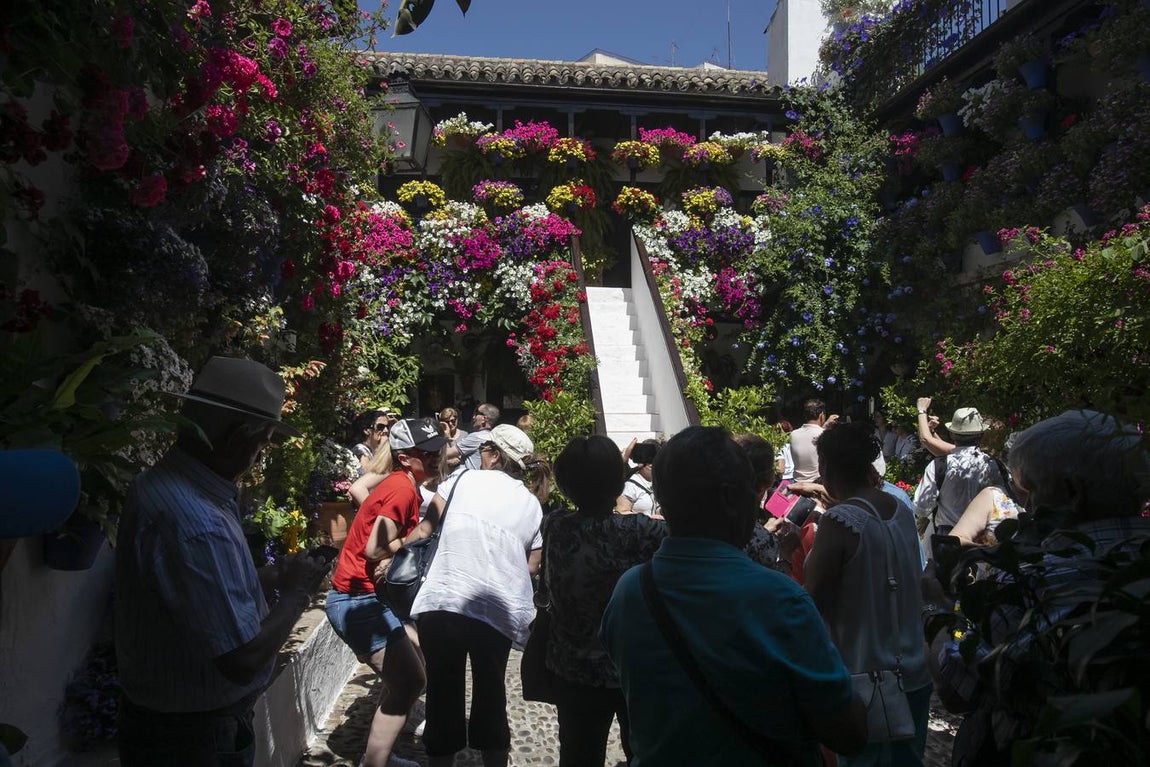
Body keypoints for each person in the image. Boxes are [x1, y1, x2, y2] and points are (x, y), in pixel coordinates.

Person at [601, 426, 866, 764]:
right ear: (730, 496)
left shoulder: (629, 591)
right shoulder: (779, 599)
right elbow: (848, 732)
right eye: (754, 491)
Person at [115, 357, 328, 767]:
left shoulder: (171, 484)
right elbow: (241, 661)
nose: (260, 456)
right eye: (263, 442)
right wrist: (298, 594)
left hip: (172, 725)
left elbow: (200, 596)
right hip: (192, 737)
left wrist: (277, 575)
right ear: (241, 437)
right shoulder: (197, 521)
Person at [923, 410, 1150, 765]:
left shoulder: (1038, 580)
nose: (1027, 510)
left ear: (1072, 492)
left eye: (1034, 492)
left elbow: (958, 689)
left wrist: (938, 607)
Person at [407, 424, 547, 767]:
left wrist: (393, 552)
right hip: (496, 610)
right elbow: (532, 565)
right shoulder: (532, 504)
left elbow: (428, 526)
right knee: (491, 691)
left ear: (495, 455)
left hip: (444, 600)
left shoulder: (463, 480)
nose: (477, 453)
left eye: (483, 448)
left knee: (442, 692)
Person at [803, 423, 932, 766]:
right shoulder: (899, 508)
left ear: (826, 466)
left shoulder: (841, 521)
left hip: (867, 680)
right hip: (913, 671)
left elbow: (811, 601)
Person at [327, 419, 446, 767]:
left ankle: (378, 755)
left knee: (415, 665)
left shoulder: (401, 483)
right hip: (356, 599)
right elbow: (375, 547)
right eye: (427, 453)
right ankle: (375, 762)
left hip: (366, 597)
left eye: (436, 450)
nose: (435, 458)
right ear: (407, 458)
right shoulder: (402, 489)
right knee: (411, 680)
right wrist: (411, 543)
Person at [544, 435, 666, 766]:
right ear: (616, 482)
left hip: (573, 665)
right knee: (644, 751)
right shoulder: (640, 531)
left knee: (578, 754)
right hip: (630, 666)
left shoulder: (555, 525)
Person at [913, 407, 1006, 550]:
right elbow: (1004, 504)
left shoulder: (938, 466)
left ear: (952, 434)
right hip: (983, 541)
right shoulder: (993, 466)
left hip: (947, 540)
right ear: (981, 435)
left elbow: (921, 508)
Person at [790, 398, 835, 482]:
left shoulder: (793, 434)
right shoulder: (825, 435)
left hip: (797, 483)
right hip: (817, 484)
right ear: (821, 415)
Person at [616, 439, 659, 516]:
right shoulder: (631, 486)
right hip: (642, 527)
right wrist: (649, 521)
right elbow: (621, 513)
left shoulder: (660, 483)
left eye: (654, 458)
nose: (651, 463)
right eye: (648, 458)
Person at [454, 402, 500, 470]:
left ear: (484, 419)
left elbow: (447, 453)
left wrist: (445, 434)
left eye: (476, 413)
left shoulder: (476, 437)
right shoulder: (495, 437)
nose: (473, 417)